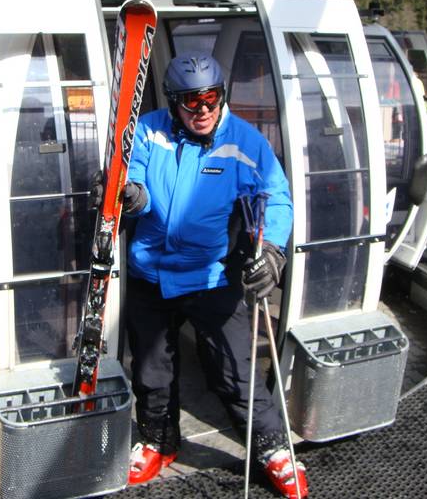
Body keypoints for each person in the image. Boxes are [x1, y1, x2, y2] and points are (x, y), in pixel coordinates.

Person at [98, 54, 308, 498]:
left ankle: (272, 448)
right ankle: (159, 441)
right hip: (151, 273)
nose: (203, 110)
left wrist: (272, 250)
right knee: (151, 370)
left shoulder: (243, 141)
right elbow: (135, 179)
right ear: (173, 102)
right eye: (191, 102)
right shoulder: (149, 131)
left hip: (211, 276)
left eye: (211, 98)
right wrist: (132, 196)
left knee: (234, 370)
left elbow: (276, 196)